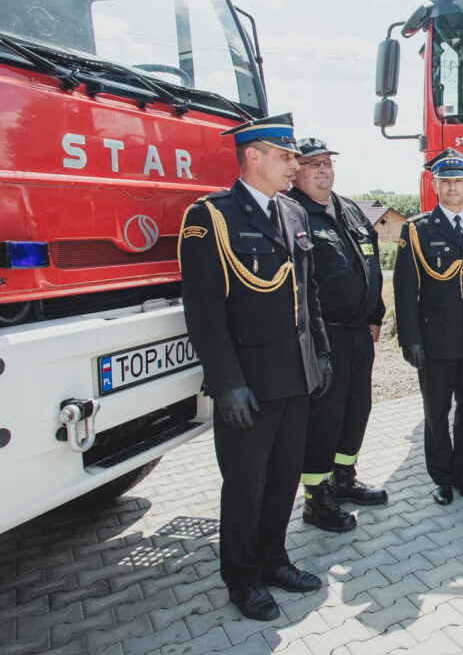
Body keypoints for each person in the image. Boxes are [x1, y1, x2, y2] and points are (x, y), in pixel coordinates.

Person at [178, 113, 331, 621]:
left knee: (284, 477)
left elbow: (307, 295)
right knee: (246, 484)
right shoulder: (212, 216)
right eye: (286, 156)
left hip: (295, 376)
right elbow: (203, 311)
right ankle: (242, 578)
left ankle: (274, 559)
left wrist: (321, 354)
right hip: (249, 384)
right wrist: (226, 384)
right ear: (253, 157)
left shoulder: (293, 213)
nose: (295, 164)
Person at [393, 148, 463, 505]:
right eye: (446, 182)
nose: (453, 187)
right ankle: (441, 478)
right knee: (436, 413)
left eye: (459, 181)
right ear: (436, 184)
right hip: (436, 342)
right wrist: (409, 340)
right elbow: (403, 290)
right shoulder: (417, 230)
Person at [287, 137, 388, 533]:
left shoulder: (348, 209)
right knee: (323, 416)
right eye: (313, 164)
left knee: (357, 406)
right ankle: (316, 497)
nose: (323, 170)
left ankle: (344, 477)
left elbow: (373, 264)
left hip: (359, 332)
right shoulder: (293, 212)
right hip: (322, 334)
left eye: (327, 162)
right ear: (296, 171)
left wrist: (376, 313)